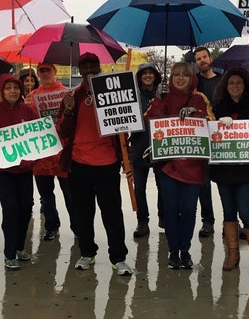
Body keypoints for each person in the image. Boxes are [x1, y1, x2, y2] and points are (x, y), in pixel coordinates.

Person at [57, 52, 133, 276]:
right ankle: (87, 253)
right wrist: (69, 111)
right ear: (79, 70)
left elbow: (125, 127)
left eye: (93, 66)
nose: (89, 70)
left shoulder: (113, 92)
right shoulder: (72, 96)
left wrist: (126, 158)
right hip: (79, 164)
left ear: (99, 67)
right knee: (83, 213)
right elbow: (62, 130)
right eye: (85, 66)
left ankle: (118, 258)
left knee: (112, 214)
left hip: (107, 164)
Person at [145, 61, 214, 269]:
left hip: (194, 166)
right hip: (168, 166)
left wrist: (197, 113)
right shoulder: (163, 98)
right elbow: (149, 120)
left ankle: (185, 250)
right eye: (176, 74)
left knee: (189, 209)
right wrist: (158, 98)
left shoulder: (199, 98)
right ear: (170, 77)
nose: (181, 78)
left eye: (185, 74)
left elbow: (211, 121)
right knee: (171, 209)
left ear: (191, 78)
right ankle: (173, 252)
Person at [210, 67, 249, 277]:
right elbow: (209, 134)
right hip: (223, 169)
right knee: (228, 212)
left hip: (247, 169)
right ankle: (232, 254)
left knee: (245, 211)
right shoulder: (217, 108)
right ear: (225, 86)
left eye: (239, 82)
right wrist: (216, 123)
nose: (235, 86)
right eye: (231, 82)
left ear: (246, 86)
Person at [0, 73, 38, 270]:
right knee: (11, 207)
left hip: (23, 168)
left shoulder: (26, 109)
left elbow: (39, 132)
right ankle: (9, 252)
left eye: (16, 87)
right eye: (8, 87)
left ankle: (20, 246)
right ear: (1, 91)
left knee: (26, 207)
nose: (13, 91)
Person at [24, 63, 78, 240]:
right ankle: (51, 226)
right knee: (46, 196)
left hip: (63, 152)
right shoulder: (32, 97)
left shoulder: (67, 93)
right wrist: (26, 107)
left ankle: (78, 227)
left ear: (55, 72)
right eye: (42, 70)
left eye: (48, 70)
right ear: (38, 74)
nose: (45, 73)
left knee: (71, 195)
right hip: (42, 154)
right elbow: (25, 125)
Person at [130, 63, 162, 238]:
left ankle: (163, 216)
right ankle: (142, 221)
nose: (148, 76)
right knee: (139, 188)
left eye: (151, 73)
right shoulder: (132, 97)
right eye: (145, 73)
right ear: (140, 77)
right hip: (139, 145)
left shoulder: (163, 96)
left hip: (160, 147)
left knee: (163, 186)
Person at [193, 46, 219, 238]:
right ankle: (207, 221)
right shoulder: (193, 82)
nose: (202, 60)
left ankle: (232, 221)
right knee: (204, 183)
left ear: (210, 58)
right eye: (198, 59)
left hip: (222, 136)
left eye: (204, 57)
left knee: (228, 182)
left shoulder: (222, 80)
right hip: (201, 136)